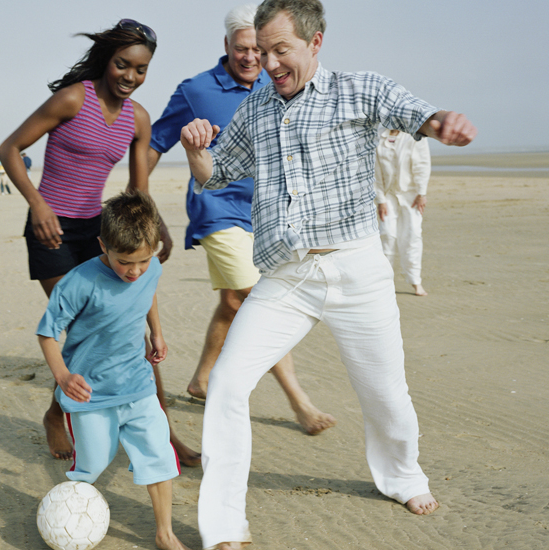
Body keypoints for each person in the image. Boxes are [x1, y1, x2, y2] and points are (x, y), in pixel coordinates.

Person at [178, 0, 477, 547]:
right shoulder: (258, 107)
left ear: (315, 44)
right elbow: (217, 175)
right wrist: (197, 150)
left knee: (385, 392)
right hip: (287, 278)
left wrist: (444, 124)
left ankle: (403, 478)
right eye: (261, 51)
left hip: (357, 269)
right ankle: (223, 525)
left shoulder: (360, 89)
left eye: (280, 50)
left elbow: (420, 116)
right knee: (224, 385)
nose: (267, 63)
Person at [0, 20, 199, 466]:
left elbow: (138, 189)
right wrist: (37, 204)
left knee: (128, 325)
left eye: (140, 69)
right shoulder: (74, 98)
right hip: (51, 230)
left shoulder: (138, 118)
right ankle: (60, 416)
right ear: (107, 61)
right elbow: (10, 148)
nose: (130, 76)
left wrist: (156, 228)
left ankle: (160, 431)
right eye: (122, 65)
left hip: (99, 232)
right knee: (88, 325)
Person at [148, 3, 335, 436]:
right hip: (217, 210)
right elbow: (155, 141)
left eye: (259, 49)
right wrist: (141, 198)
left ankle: (201, 379)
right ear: (226, 46)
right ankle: (298, 401)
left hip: (267, 214)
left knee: (233, 301)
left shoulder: (278, 86)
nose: (252, 58)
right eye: (242, 49)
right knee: (256, 298)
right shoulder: (195, 90)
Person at [37, 192, 189, 550]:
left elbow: (149, 290)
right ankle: (67, 521)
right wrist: (63, 377)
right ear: (103, 245)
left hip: (138, 386)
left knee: (158, 454)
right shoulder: (79, 282)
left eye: (143, 261)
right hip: (91, 395)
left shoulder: (150, 267)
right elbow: (47, 333)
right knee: (92, 464)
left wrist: (156, 332)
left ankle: (165, 533)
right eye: (124, 262)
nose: (134, 271)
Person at [375, 129, 432, 296]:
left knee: (412, 235)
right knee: (387, 235)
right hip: (388, 195)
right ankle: (384, 283)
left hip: (411, 194)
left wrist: (422, 193)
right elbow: (375, 171)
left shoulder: (415, 137)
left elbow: (422, 164)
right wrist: (380, 200)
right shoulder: (378, 137)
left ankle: (416, 281)